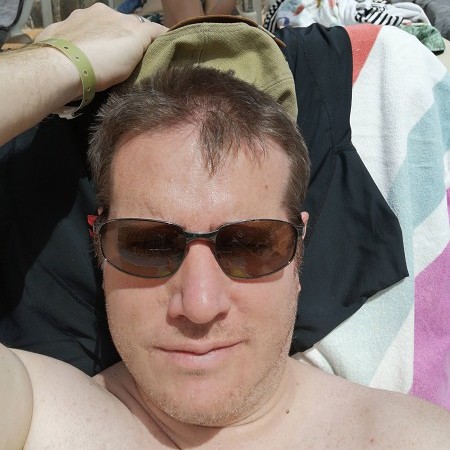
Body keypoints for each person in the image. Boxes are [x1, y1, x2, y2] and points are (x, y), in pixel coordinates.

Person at [1, 14, 450, 449]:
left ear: (299, 251)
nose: (199, 307)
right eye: (149, 245)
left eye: (250, 245)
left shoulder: (414, 439)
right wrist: (65, 61)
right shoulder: (40, 416)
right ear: (98, 246)